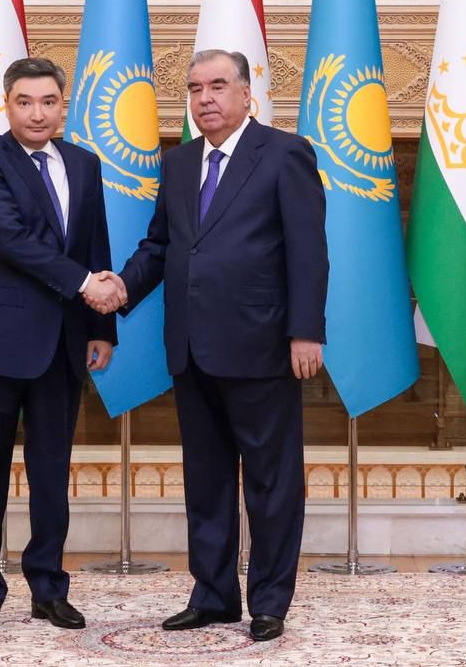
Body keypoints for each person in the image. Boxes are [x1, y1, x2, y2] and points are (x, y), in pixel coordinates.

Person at [99, 48, 328, 642]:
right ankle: (213, 595)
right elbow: (161, 245)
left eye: (219, 86)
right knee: (206, 481)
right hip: (191, 348)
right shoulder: (178, 163)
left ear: (247, 94)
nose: (205, 98)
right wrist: (122, 287)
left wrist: (306, 330)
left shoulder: (285, 154)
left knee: (271, 482)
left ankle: (269, 601)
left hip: (262, 346)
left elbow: (308, 250)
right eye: (196, 88)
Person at [0, 56, 125, 638]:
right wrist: (86, 284)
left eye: (48, 101)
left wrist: (101, 327)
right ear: (7, 105)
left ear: (62, 105)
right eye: (24, 102)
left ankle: (48, 589)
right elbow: (12, 240)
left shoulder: (84, 163)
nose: (37, 113)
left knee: (51, 475)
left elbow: (94, 243)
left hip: (63, 345)